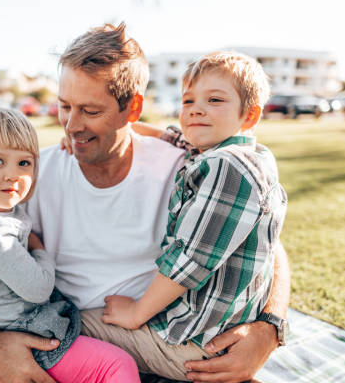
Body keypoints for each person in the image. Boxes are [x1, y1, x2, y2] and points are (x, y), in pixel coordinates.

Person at [0, 23, 291, 383]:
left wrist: (270, 326)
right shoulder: (29, 175)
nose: (71, 126)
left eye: (91, 111)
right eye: (65, 106)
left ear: (132, 109)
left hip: (161, 337)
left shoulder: (184, 167)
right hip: (67, 340)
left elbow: (265, 243)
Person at [96, 51, 288, 381]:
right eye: (188, 101)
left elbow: (191, 260)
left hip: (194, 342)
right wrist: (115, 130)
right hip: (219, 330)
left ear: (250, 115)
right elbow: (176, 137)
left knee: (77, 325)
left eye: (214, 100)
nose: (196, 109)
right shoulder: (237, 153)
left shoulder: (229, 167)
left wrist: (136, 313)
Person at [0, 107, 140, 382]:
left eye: (24, 163)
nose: (13, 175)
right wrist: (39, 249)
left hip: (3, 323)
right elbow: (39, 289)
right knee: (116, 366)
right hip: (31, 335)